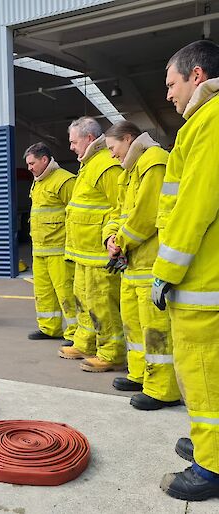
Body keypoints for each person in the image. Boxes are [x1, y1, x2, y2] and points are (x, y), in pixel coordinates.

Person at [152, 40, 219, 501]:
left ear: (196, 75)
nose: (169, 95)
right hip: (202, 274)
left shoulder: (211, 120)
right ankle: (206, 443)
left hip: (202, 280)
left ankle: (211, 467)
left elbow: (193, 206)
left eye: (171, 84)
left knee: (202, 372)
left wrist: (165, 270)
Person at [103, 121, 180, 411]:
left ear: (128, 138)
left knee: (155, 328)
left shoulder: (154, 163)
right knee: (133, 323)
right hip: (133, 264)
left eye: (113, 148)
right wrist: (110, 238)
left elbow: (146, 217)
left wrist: (120, 241)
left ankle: (162, 389)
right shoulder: (132, 169)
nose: (112, 155)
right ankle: (139, 374)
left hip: (150, 263)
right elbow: (119, 211)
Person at [59, 116, 125, 372]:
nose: (71, 147)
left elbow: (120, 207)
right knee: (84, 301)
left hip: (99, 256)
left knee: (102, 305)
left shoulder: (105, 165)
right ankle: (86, 342)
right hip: (83, 254)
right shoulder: (89, 164)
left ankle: (111, 353)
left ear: (88, 139)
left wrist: (112, 241)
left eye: (74, 142)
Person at [24, 142, 77, 343]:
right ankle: (49, 328)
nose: (29, 168)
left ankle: (76, 332)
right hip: (40, 250)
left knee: (66, 292)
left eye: (32, 163)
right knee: (43, 292)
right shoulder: (38, 181)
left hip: (60, 251)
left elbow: (75, 215)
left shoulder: (64, 181)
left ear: (44, 160)